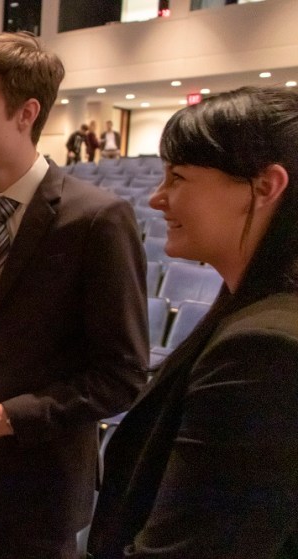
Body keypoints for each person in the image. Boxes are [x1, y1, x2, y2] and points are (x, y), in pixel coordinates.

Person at [0, 32, 149, 559]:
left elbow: (123, 375)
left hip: (37, 498)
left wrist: (7, 416)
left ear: (26, 112)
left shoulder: (98, 219)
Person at [88, 87, 298, 558]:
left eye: (178, 177)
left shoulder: (265, 350)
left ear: (265, 187)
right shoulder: (252, 314)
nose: (157, 197)